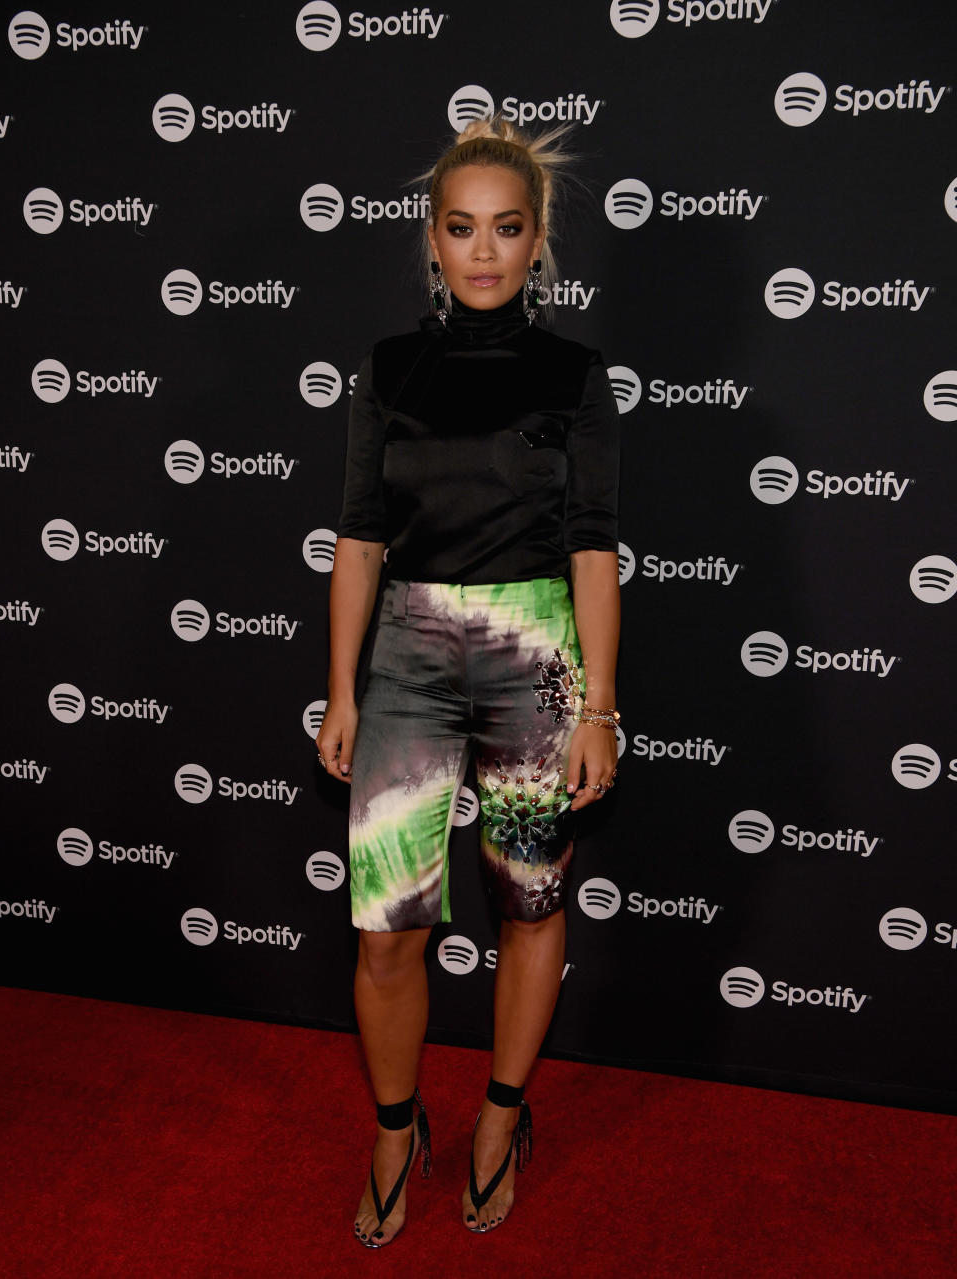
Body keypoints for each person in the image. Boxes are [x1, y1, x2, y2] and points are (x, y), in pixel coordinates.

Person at [315, 117, 621, 1248]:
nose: (483, 250)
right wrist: (343, 691)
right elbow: (356, 538)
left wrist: (600, 705)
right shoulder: (390, 368)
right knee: (387, 926)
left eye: (506, 229)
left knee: (531, 903)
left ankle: (501, 1116)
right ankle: (397, 1129)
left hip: (539, 657)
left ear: (537, 241)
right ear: (431, 240)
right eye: (460, 228)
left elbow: (595, 547)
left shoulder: (577, 376)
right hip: (405, 653)